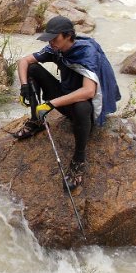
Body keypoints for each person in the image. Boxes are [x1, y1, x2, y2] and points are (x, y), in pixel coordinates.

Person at [16, 16, 121, 191]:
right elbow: (24, 61)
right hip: (66, 97)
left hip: (86, 111)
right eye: (49, 39)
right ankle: (37, 120)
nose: (51, 42)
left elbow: (89, 91)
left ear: (68, 36)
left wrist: (51, 104)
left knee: (81, 106)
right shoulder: (55, 49)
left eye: (54, 38)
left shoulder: (87, 52)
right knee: (32, 70)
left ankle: (78, 160)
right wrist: (24, 86)